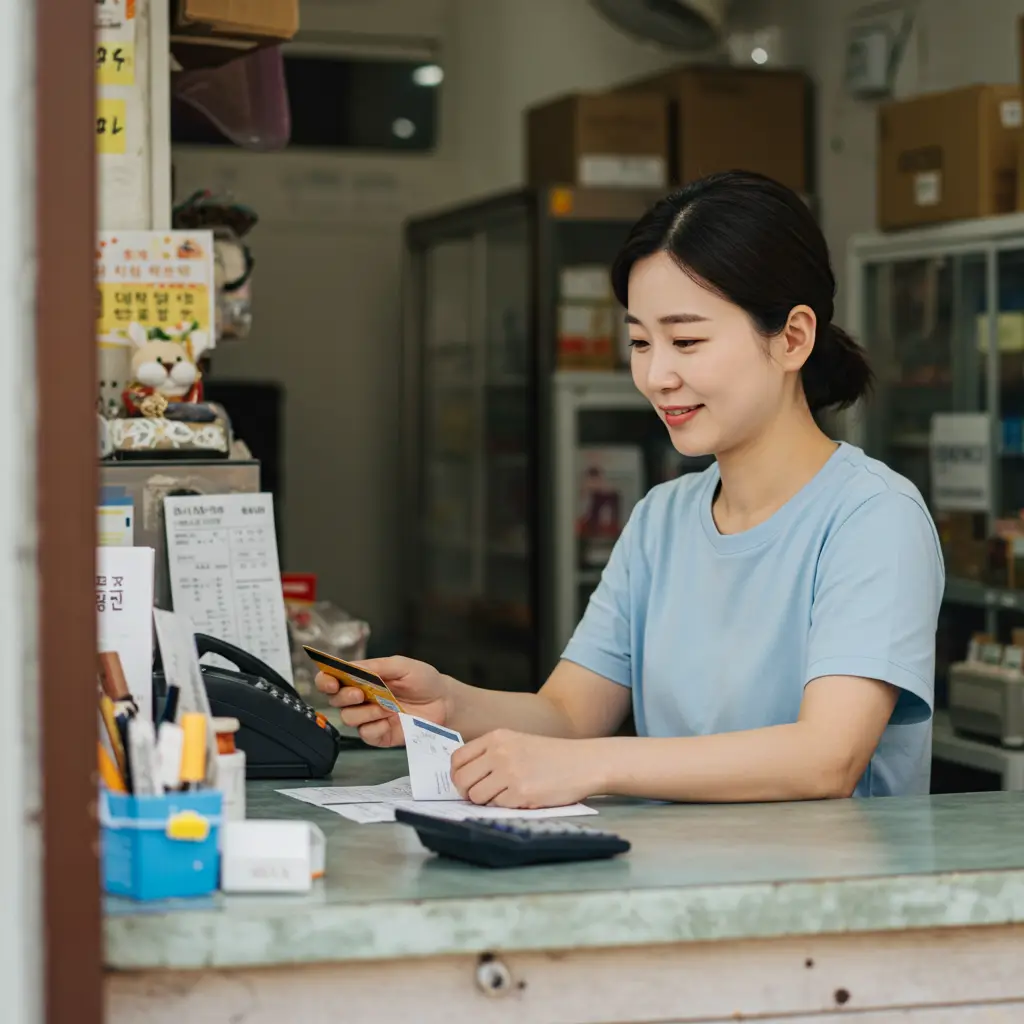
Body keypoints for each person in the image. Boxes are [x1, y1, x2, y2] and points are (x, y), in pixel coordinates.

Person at [318, 171, 944, 805]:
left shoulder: (873, 517)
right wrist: (448, 701)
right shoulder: (662, 519)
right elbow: (569, 713)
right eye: (640, 342)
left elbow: (825, 758)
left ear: (792, 337)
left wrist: (593, 766)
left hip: (828, 897)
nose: (656, 375)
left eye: (687, 341)